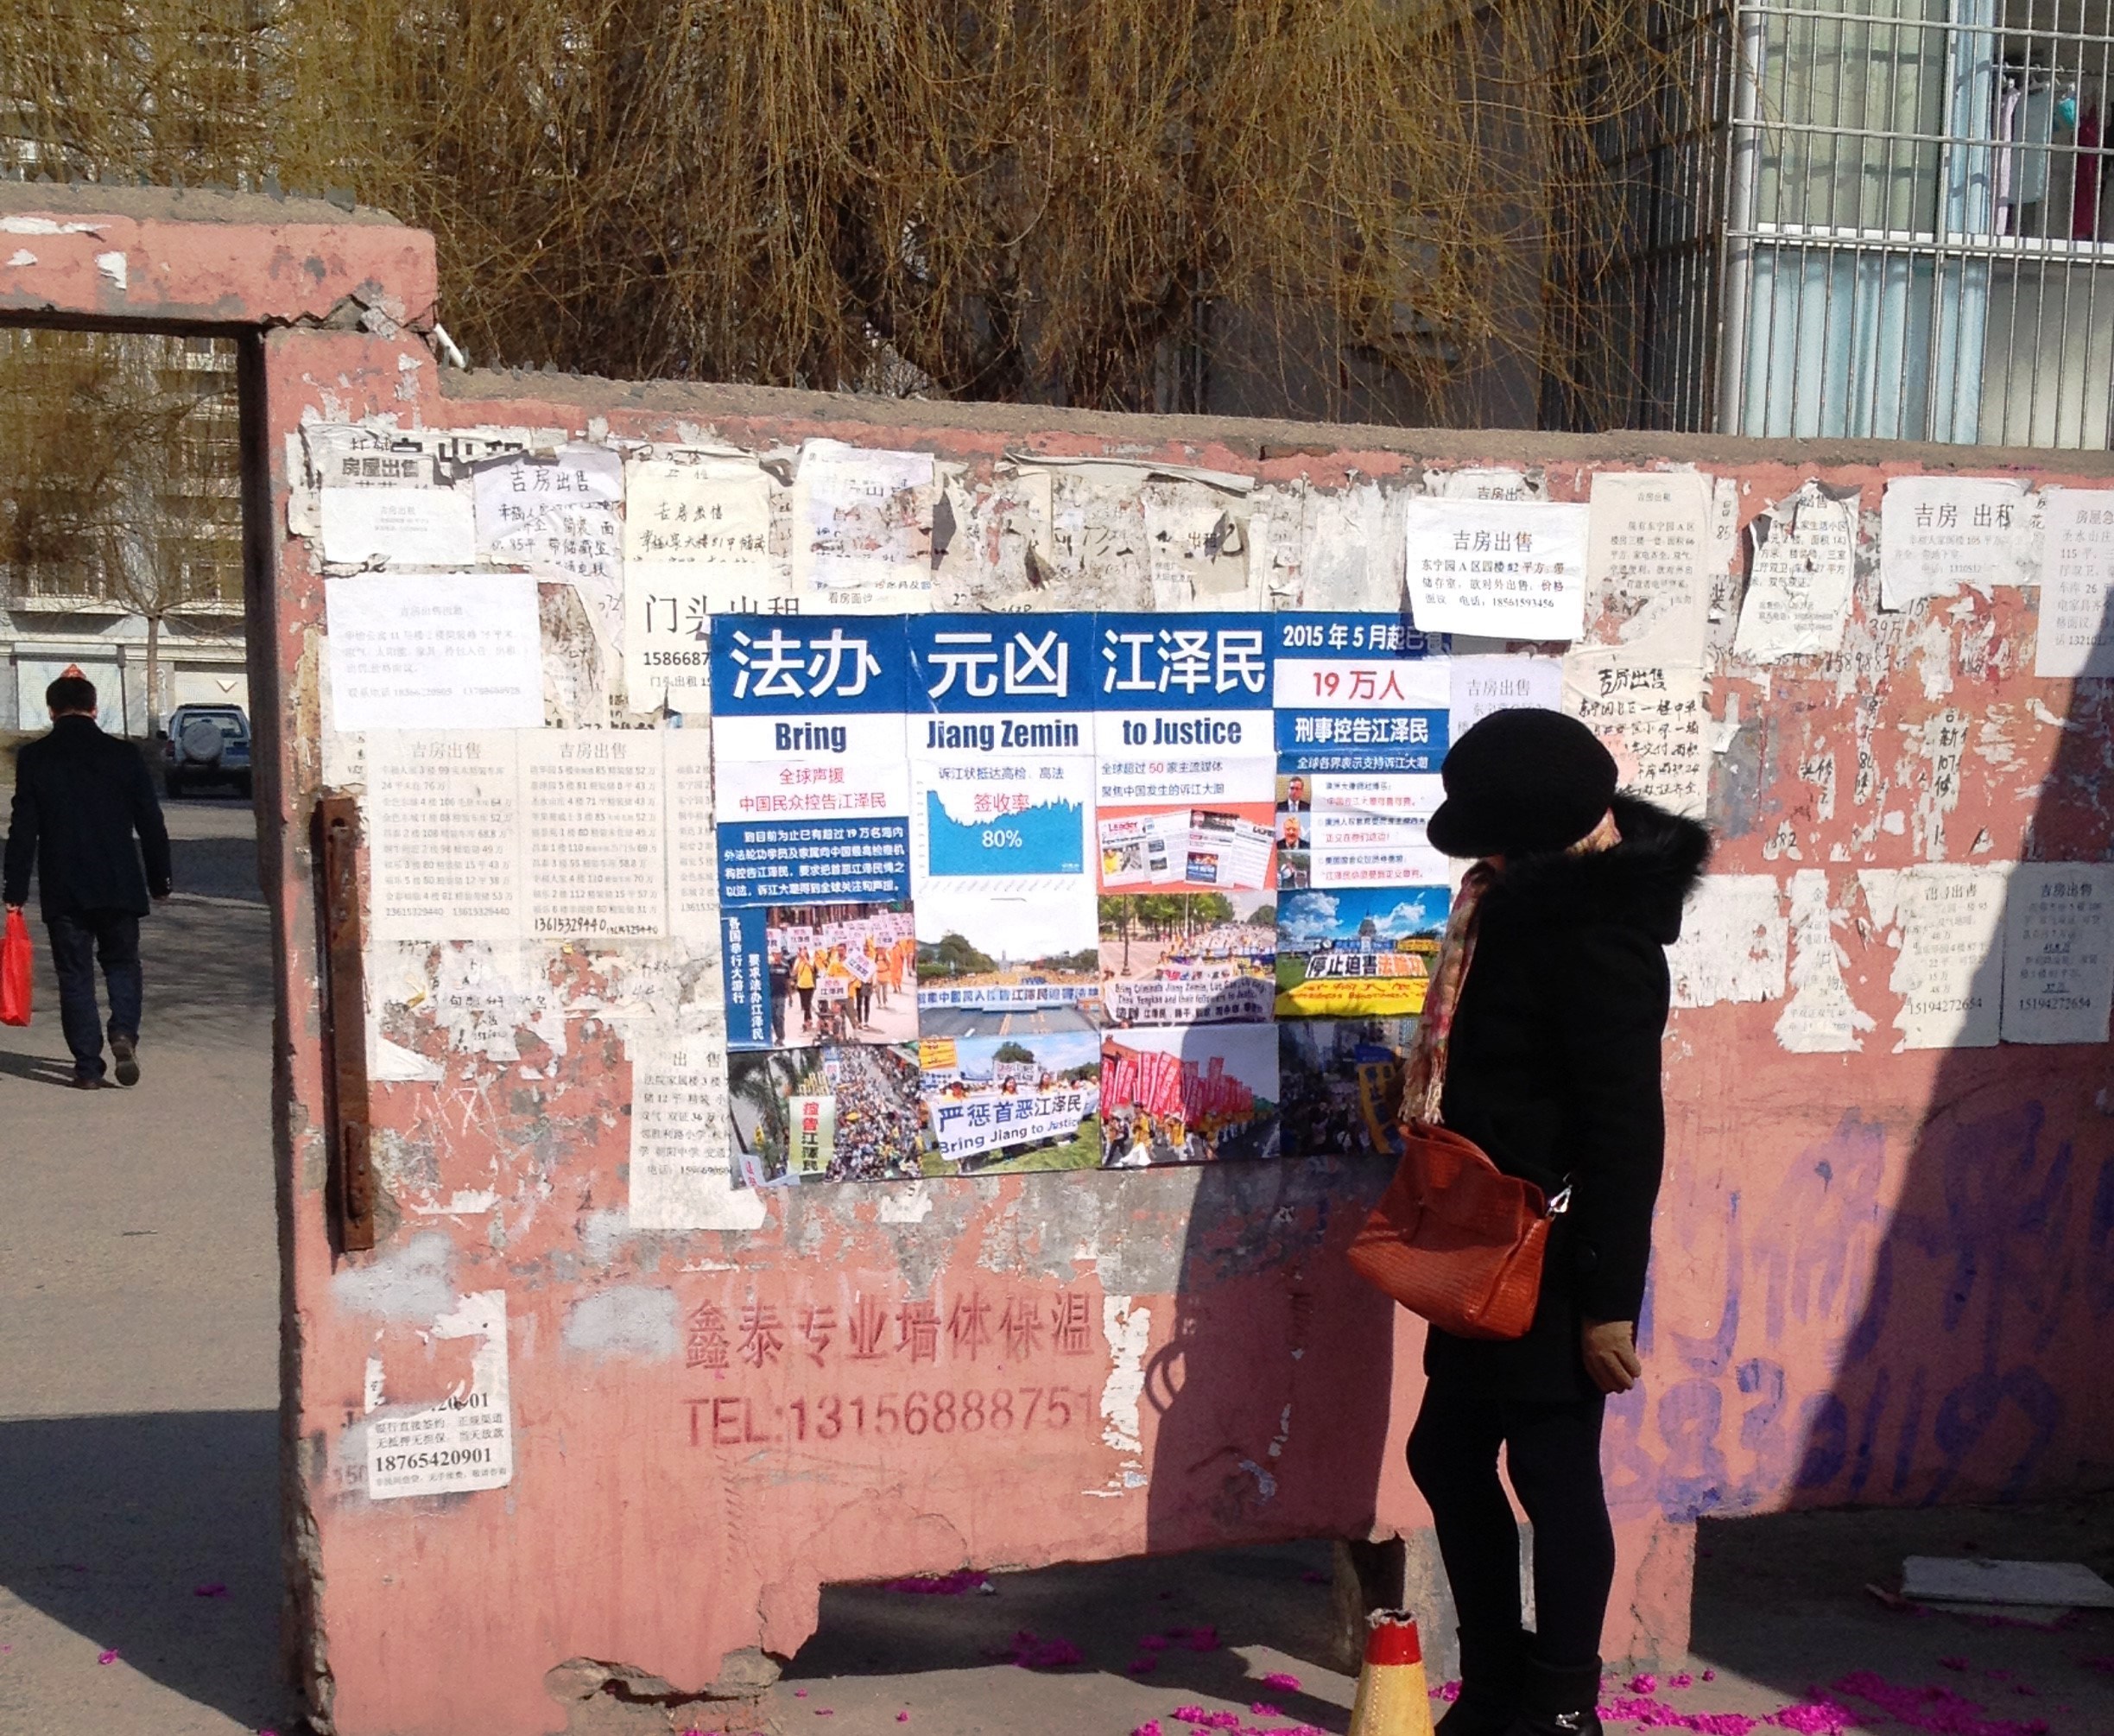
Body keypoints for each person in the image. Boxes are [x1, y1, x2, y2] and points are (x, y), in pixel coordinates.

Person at [1398, 709, 1707, 1736]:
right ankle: (1495, 1689)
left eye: (1491, 838)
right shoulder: (1509, 908)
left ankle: (1564, 1708)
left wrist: (1609, 1304)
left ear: (1531, 836)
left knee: (1551, 1470)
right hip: (1488, 1238)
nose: (1478, 858)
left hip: (1556, 1254)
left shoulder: (1597, 934)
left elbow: (1628, 1135)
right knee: (1447, 1455)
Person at [3, 673, 174, 1088]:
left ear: (51, 711)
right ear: (95, 709)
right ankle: (123, 1031)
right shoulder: (124, 755)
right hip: (119, 882)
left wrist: (15, 890)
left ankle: (87, 1068)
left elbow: (23, 828)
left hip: (64, 887)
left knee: (74, 974)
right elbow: (151, 822)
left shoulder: (35, 757)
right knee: (122, 963)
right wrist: (160, 880)